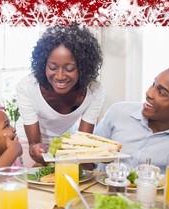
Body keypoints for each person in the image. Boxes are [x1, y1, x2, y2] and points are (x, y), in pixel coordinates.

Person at [94, 66, 169, 184]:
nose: (149, 93)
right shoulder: (118, 112)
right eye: (153, 84)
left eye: (161, 92)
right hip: (105, 197)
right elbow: (88, 159)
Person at [16, 23, 104, 164]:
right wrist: (36, 149)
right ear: (43, 64)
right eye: (52, 67)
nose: (60, 76)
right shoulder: (27, 87)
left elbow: (82, 142)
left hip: (67, 142)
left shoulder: (95, 90)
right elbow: (34, 147)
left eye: (69, 69)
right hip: (29, 140)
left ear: (83, 67)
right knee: (38, 177)